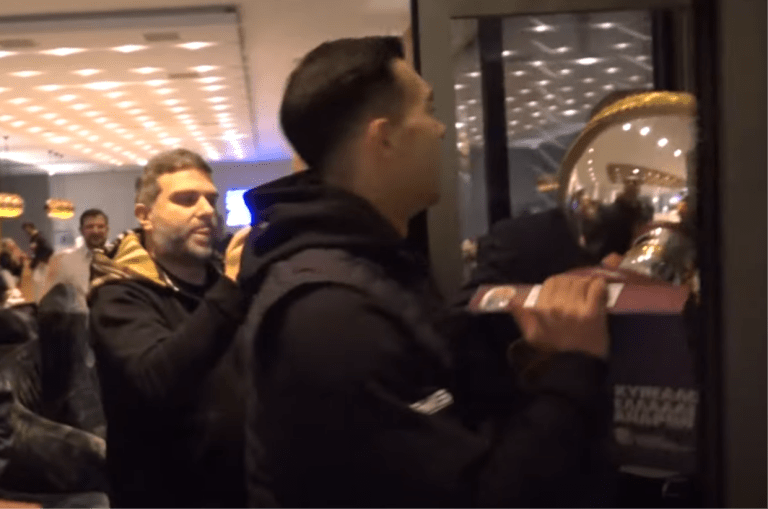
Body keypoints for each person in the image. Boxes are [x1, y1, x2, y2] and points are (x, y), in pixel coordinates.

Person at [238, 36, 611, 509]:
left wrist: (538, 362)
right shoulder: (332, 314)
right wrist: (574, 365)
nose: (441, 130)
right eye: (429, 110)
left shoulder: (378, 268)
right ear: (385, 137)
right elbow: (477, 496)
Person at [88, 149, 250, 509]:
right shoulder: (118, 293)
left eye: (211, 199)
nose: (206, 210)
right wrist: (231, 289)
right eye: (186, 199)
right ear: (145, 215)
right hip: (164, 494)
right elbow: (155, 379)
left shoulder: (218, 284)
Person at [43, 209, 110, 311]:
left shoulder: (118, 259)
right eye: (90, 227)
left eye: (100, 226)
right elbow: (52, 299)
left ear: (107, 229)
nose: (95, 231)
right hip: (79, 318)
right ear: (81, 230)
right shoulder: (65, 261)